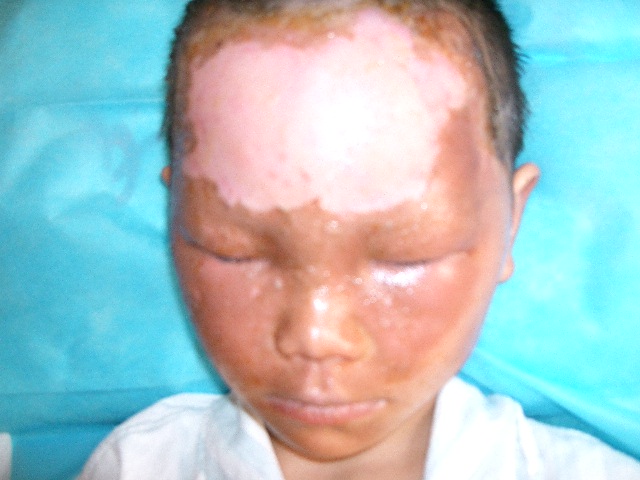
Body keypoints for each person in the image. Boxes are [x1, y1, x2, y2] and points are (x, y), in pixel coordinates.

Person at [80, 0, 640, 478]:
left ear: (511, 223)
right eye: (233, 250)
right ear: (175, 216)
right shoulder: (136, 466)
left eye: (408, 256)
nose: (316, 335)